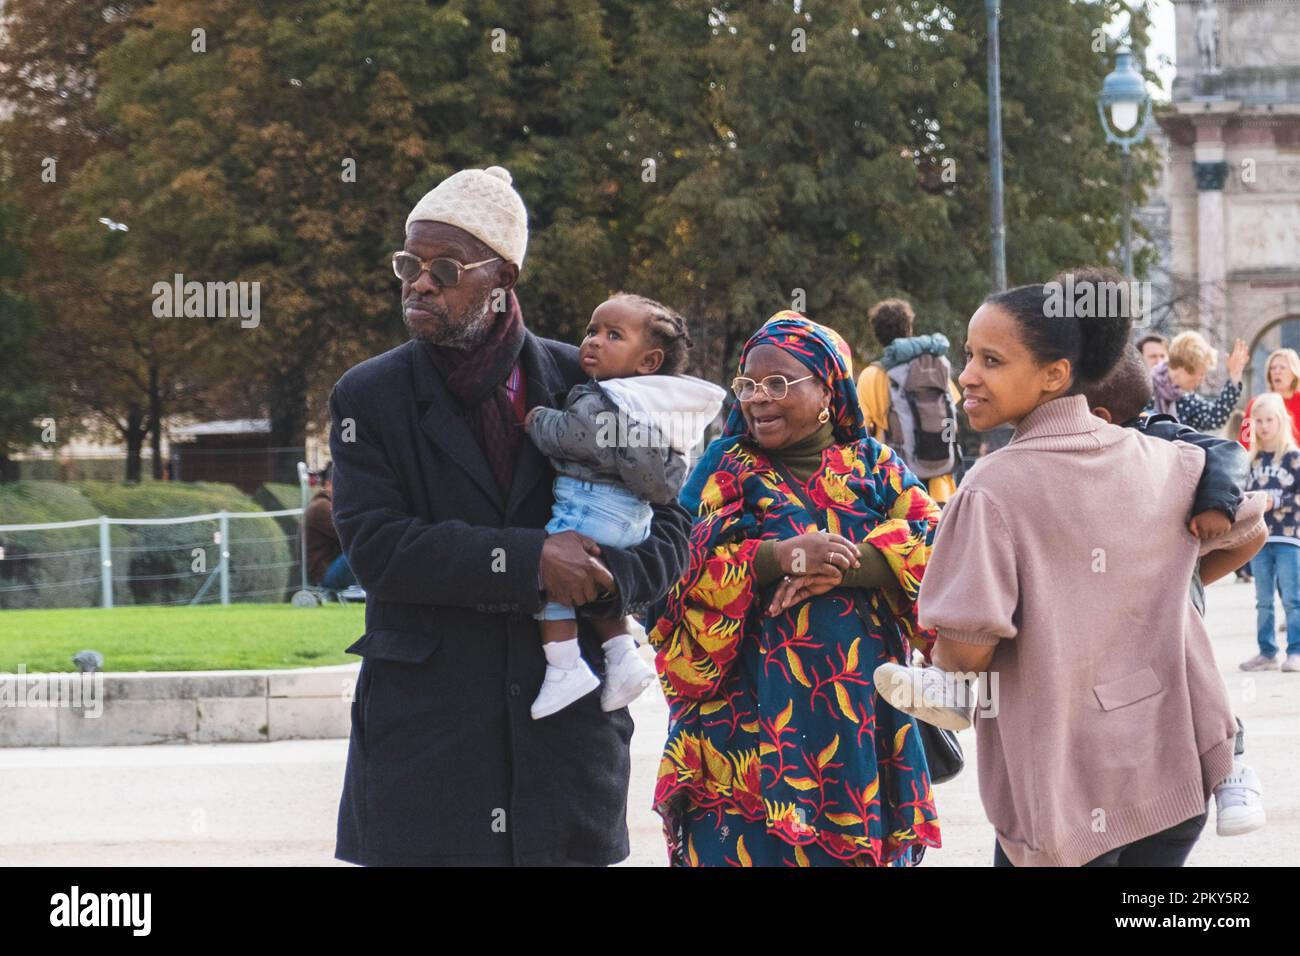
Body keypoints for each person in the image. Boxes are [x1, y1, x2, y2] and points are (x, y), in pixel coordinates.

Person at [328, 166, 691, 866]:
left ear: (504, 279)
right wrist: (533, 561)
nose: (419, 282)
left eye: (444, 268)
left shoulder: (588, 381)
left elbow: (670, 515)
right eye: (410, 264)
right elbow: (377, 547)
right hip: (428, 752)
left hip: (566, 751)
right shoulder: (368, 396)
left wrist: (605, 577)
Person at [875, 267, 1265, 867]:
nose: (967, 375)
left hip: (1066, 793)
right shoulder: (1165, 460)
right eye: (970, 355)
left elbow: (966, 651)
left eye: (992, 361)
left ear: (1055, 375)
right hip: (1171, 776)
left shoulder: (993, 488)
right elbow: (1250, 529)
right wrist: (1155, 582)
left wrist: (943, 667)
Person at [646, 311, 943, 867]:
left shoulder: (877, 468)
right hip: (742, 726)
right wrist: (770, 559)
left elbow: (940, 546)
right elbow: (666, 571)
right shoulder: (723, 468)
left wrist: (856, 565)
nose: (759, 399)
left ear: (828, 389)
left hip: (856, 721)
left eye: (779, 383)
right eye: (749, 385)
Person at [522, 293, 725, 718]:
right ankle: (622, 656)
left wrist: (538, 418)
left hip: (589, 510)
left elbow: (571, 435)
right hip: (634, 522)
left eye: (613, 335)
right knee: (595, 585)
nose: (593, 341)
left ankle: (564, 668)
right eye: (591, 330)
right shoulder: (658, 405)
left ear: (649, 361)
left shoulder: (607, 399)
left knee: (553, 581)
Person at [857, 298, 962, 504]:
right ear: (909, 328)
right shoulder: (932, 369)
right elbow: (952, 412)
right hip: (940, 483)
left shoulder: (872, 375)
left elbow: (861, 431)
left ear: (876, 334)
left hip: (896, 487)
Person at [1241, 391, 1300, 673]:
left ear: (1281, 421)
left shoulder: (1294, 458)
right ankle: (1266, 651)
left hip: (1289, 539)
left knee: (1292, 599)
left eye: (1269, 420)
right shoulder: (1250, 460)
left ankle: (1296, 651)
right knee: (1263, 600)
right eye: (1259, 420)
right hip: (1259, 540)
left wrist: (1274, 501)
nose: (1264, 426)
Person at [1148, 330, 1247, 432]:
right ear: (1185, 368)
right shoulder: (1146, 388)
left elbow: (1214, 417)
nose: (1202, 380)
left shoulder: (1185, 398)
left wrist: (1235, 376)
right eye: (1201, 374)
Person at [304, 461, 356, 591]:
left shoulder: (327, 504)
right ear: (328, 484)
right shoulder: (322, 507)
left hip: (329, 569)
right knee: (364, 545)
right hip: (324, 575)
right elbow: (351, 534)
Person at [1239, 348, 1300, 448]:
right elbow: (1245, 442)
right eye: (1273, 368)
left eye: (1282, 368)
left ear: (1294, 373)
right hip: (1261, 461)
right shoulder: (1256, 404)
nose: (1276, 371)